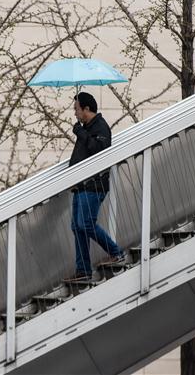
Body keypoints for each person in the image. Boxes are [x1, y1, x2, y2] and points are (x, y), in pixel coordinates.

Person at [68, 92, 124, 280]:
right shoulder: (87, 127)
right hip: (82, 185)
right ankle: (83, 269)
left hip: (93, 185)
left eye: (76, 109)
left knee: (86, 224)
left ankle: (116, 253)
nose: (75, 113)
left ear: (86, 109)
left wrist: (81, 133)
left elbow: (99, 151)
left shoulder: (100, 127)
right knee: (77, 226)